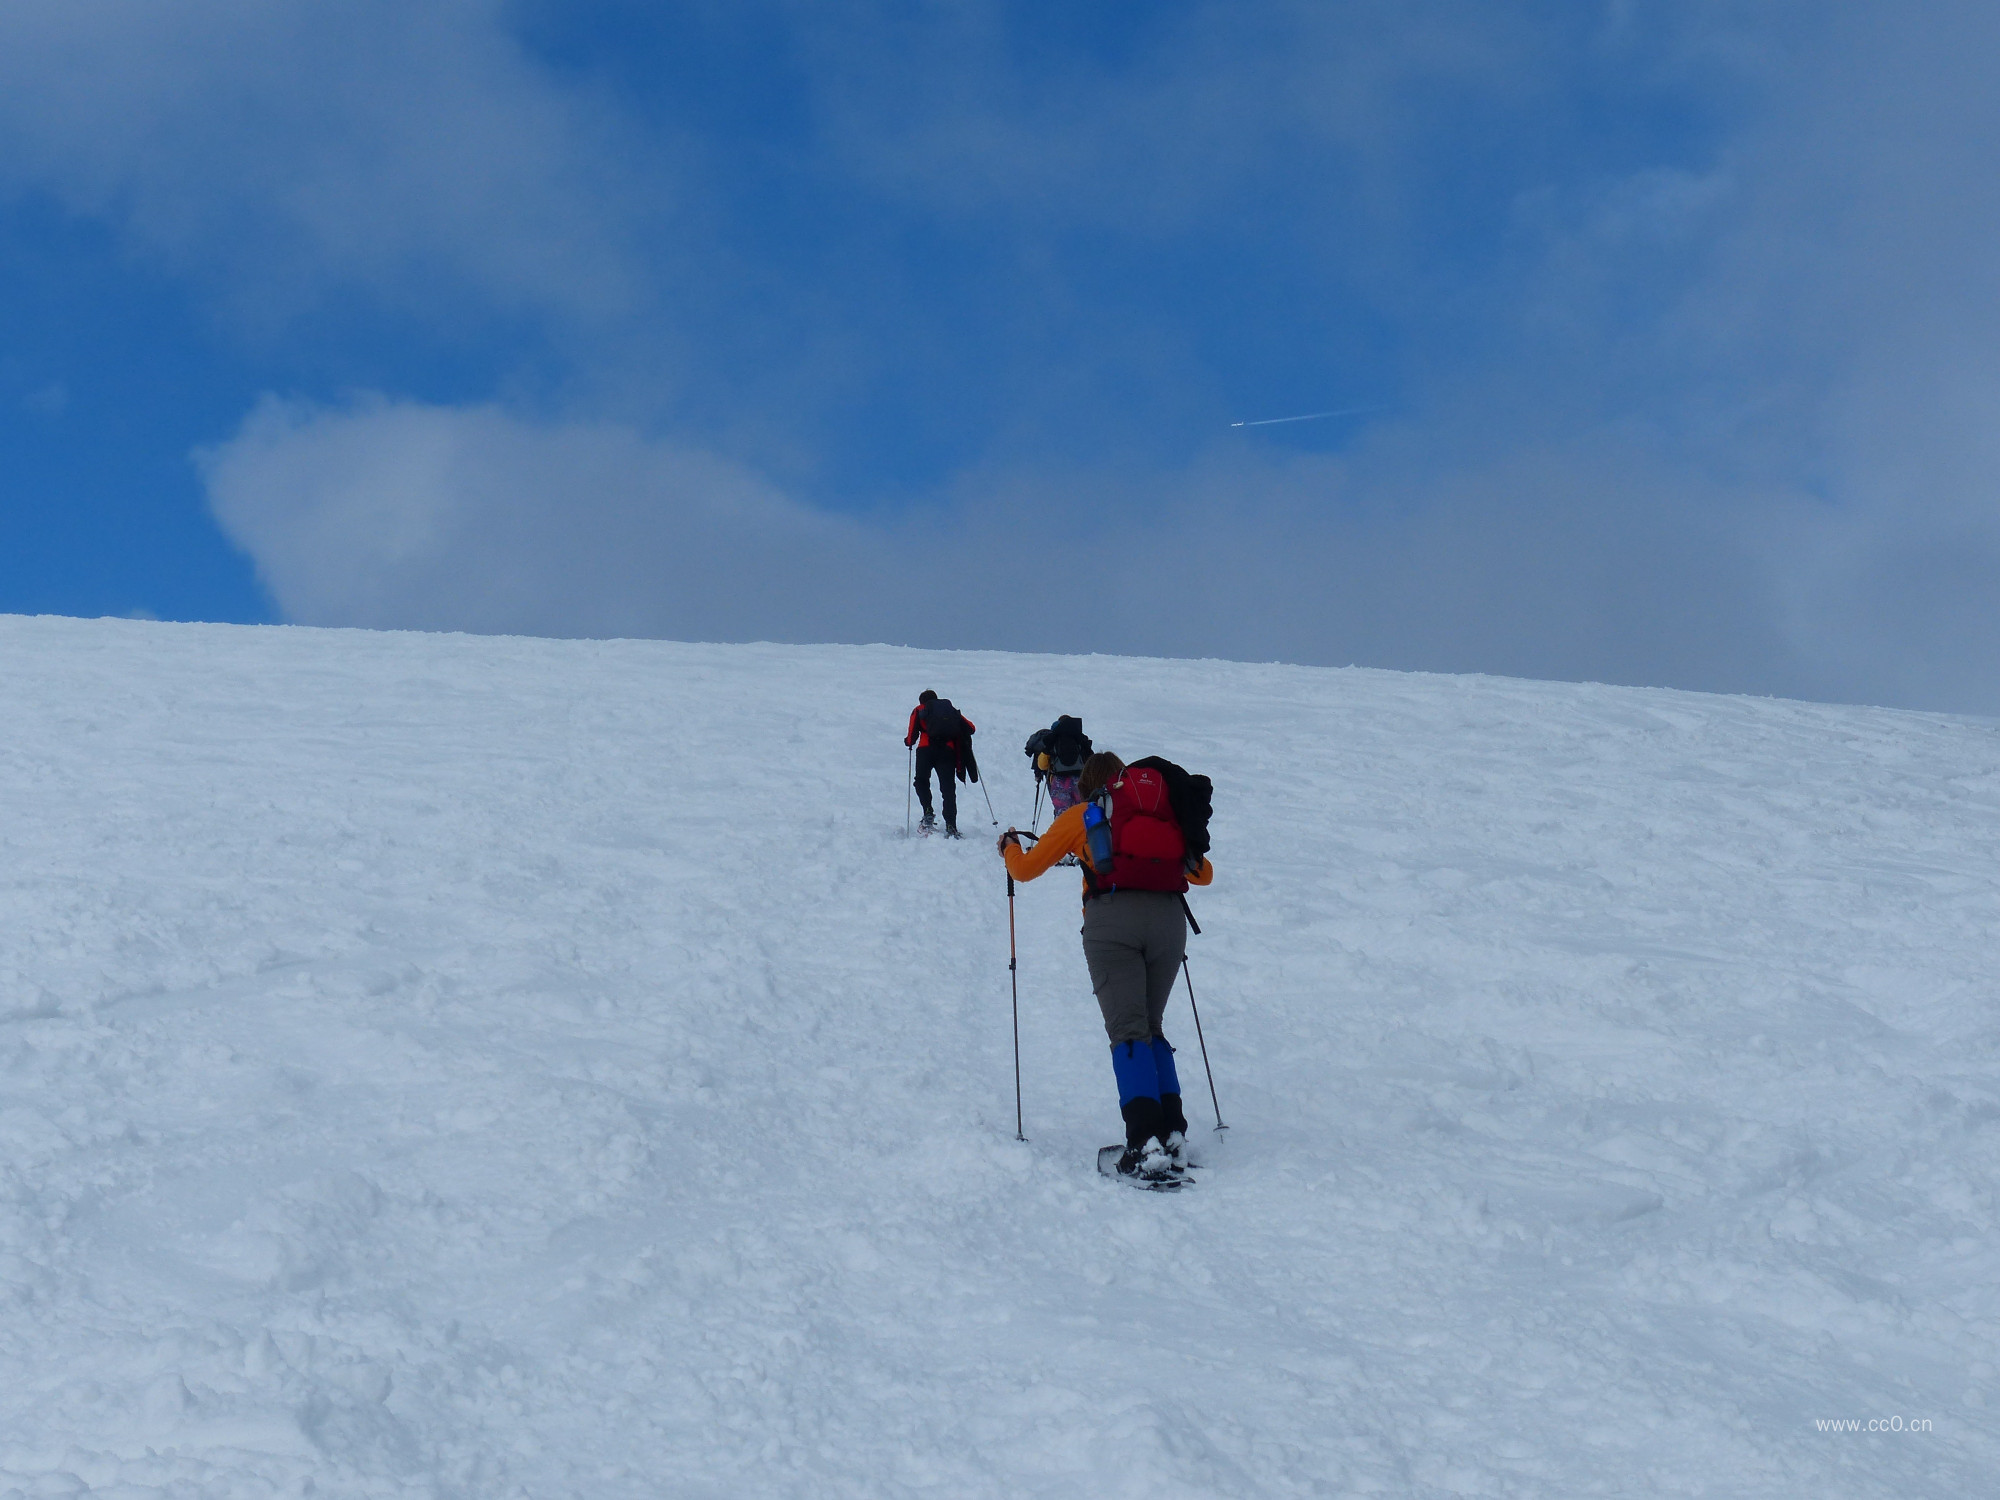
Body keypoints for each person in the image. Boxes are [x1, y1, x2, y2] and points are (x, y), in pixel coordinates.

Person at [998, 750, 1214, 1181]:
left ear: (1088, 786)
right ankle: (1172, 1136)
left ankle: (1144, 1145)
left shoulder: (1083, 815)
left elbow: (1024, 870)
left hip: (1112, 923)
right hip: (1169, 923)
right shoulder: (1164, 814)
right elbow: (1202, 874)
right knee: (1152, 1027)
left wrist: (1009, 847)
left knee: (1128, 1032)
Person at [905, 689, 976, 837]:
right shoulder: (949, 711)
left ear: (922, 701)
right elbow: (971, 728)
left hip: (925, 750)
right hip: (947, 752)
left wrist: (908, 741)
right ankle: (951, 825)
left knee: (921, 781)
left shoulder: (919, 709)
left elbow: (911, 736)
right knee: (948, 789)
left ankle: (928, 811)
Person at [1023, 715, 1092, 820]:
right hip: (1080, 781)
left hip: (1060, 783)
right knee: (1082, 812)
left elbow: (1042, 765)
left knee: (1062, 816)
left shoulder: (1053, 739)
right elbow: (1090, 760)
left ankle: (1063, 829)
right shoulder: (1079, 739)